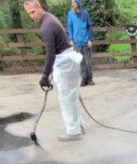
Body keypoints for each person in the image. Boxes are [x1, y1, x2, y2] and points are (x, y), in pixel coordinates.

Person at [23, 0, 84, 141]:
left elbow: (50, 54)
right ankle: (78, 125)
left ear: (39, 7)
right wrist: (49, 72)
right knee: (72, 97)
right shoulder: (49, 18)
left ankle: (74, 132)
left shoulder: (46, 26)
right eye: (29, 14)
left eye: (33, 11)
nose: (32, 16)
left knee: (66, 99)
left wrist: (45, 75)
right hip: (68, 60)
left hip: (65, 63)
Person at [67, 0, 94, 86]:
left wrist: (90, 39)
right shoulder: (70, 14)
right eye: (72, 3)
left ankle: (90, 79)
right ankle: (84, 79)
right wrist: (71, 39)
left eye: (75, 2)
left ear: (78, 3)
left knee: (87, 62)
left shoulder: (85, 13)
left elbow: (89, 26)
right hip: (77, 41)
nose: (73, 4)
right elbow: (70, 27)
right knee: (81, 62)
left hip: (86, 41)